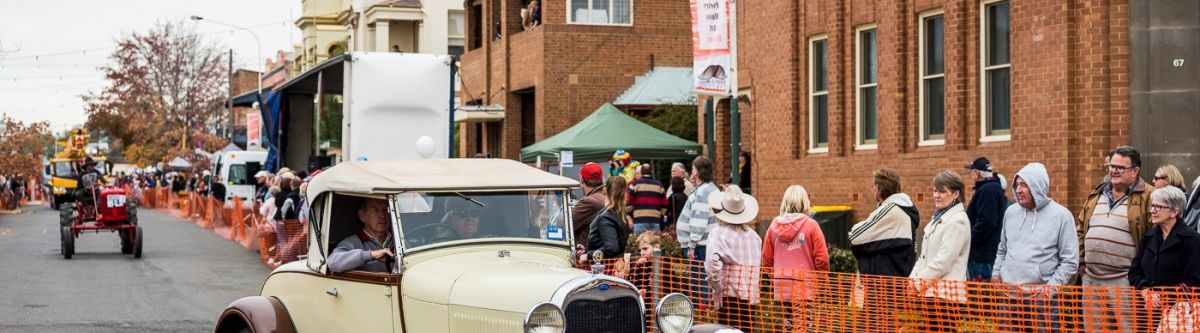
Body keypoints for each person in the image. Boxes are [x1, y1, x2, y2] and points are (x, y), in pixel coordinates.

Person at [992, 162, 1079, 332]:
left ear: (1037, 187)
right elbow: (1003, 248)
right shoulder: (1011, 212)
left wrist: (1049, 291)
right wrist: (996, 274)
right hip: (1009, 299)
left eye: (1024, 185)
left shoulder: (1062, 216)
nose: (1018, 190)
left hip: (1041, 301)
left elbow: (1070, 262)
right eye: (1017, 184)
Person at [1076, 146, 1153, 333]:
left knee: (1129, 329)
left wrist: (1139, 275)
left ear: (1135, 172)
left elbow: (1153, 237)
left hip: (1124, 281)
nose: (1114, 170)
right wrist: (1082, 262)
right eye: (1112, 166)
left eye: (1120, 167)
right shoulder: (1097, 194)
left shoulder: (1149, 196)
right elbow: (1080, 229)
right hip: (1092, 279)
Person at [1128, 186, 1200, 330]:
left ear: (1175, 211)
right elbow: (1134, 272)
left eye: (1158, 206)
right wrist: (1145, 290)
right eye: (1152, 205)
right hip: (1145, 311)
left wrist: (1161, 296)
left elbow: (1194, 281)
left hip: (1178, 315)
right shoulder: (1148, 237)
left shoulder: (1192, 239)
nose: (1152, 210)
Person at [910, 171, 971, 332]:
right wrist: (912, 279)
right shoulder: (938, 217)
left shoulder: (958, 220)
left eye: (942, 191)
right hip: (931, 293)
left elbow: (943, 261)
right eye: (935, 190)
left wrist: (918, 283)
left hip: (946, 297)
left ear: (956, 194)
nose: (936, 195)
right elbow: (924, 257)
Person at [762, 185, 828, 332]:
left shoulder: (773, 227)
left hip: (782, 285)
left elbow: (766, 258)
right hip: (805, 285)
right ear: (805, 202)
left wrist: (772, 275)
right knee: (805, 325)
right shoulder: (812, 226)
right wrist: (822, 279)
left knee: (789, 324)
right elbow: (822, 258)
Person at [704, 184, 762, 332]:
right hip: (750, 295)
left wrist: (716, 287)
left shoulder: (717, 234)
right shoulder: (754, 236)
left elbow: (712, 264)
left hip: (729, 295)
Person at [849, 168, 918, 277]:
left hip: (886, 286)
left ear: (878, 189)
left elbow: (854, 236)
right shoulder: (900, 208)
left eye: (874, 187)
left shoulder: (891, 209)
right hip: (891, 282)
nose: (872, 189)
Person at [678, 156, 719, 308]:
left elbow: (699, 220)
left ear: (698, 172)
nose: (691, 172)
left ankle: (703, 314)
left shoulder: (702, 193)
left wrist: (691, 245)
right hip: (705, 244)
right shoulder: (712, 189)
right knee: (706, 281)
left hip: (700, 246)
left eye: (693, 169)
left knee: (700, 284)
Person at [963, 156, 1007, 282]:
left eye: (972, 172)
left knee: (981, 295)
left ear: (977, 174)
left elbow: (986, 222)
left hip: (982, 256)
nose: (971, 175)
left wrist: (969, 239)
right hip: (986, 253)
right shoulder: (991, 188)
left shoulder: (987, 190)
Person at [327, 198, 395, 273]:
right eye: (375, 210)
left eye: (385, 210)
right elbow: (333, 263)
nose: (382, 216)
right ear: (362, 216)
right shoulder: (352, 243)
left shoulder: (399, 241)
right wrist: (370, 255)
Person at [586, 176, 632, 261]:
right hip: (615, 265)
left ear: (604, 190)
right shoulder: (621, 214)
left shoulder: (606, 217)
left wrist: (588, 255)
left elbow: (611, 248)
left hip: (604, 267)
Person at [626, 163, 668, 234]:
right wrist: (659, 214)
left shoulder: (635, 184)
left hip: (640, 219)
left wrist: (631, 212)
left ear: (641, 172)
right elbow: (665, 204)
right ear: (651, 172)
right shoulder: (659, 185)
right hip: (655, 220)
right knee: (654, 243)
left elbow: (628, 201)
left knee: (641, 243)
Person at [572, 162, 606, 247]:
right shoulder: (604, 197)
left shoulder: (589, 202)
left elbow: (565, 225)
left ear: (581, 179)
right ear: (602, 179)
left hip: (585, 254)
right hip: (596, 253)